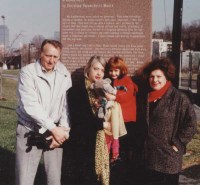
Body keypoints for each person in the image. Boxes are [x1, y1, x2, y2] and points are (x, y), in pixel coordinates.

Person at [15, 39, 72, 185]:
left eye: (55, 57)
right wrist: (53, 128)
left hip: (56, 133)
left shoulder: (64, 73)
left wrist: (63, 131)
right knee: (24, 180)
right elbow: (31, 105)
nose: (52, 60)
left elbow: (66, 105)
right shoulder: (27, 72)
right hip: (30, 130)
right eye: (48, 56)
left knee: (54, 180)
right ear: (41, 53)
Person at [139, 57, 197, 185]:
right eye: (152, 77)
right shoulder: (146, 97)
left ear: (166, 77)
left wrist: (178, 143)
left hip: (167, 159)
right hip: (147, 158)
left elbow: (191, 123)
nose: (155, 80)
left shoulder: (179, 98)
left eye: (159, 76)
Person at [67, 55, 110, 185]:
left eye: (102, 70)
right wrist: (102, 124)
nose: (99, 73)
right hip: (82, 143)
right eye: (96, 69)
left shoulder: (101, 91)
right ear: (88, 70)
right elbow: (79, 119)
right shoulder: (77, 90)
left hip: (97, 141)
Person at [105, 56, 138, 164]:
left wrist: (115, 97)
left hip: (126, 118)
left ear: (121, 70)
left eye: (116, 71)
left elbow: (127, 94)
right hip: (116, 118)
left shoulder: (126, 80)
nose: (113, 73)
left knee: (124, 144)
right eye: (111, 70)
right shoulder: (110, 81)